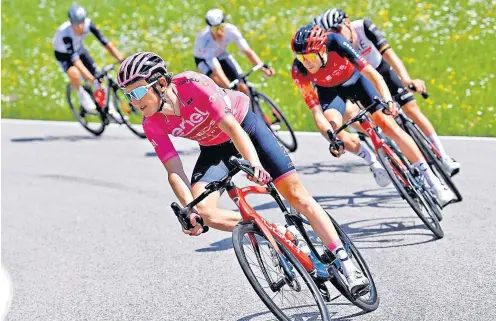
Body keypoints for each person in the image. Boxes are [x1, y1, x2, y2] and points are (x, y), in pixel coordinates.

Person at [117, 51, 370, 294]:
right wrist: (189, 210)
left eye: (138, 92)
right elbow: (173, 170)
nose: (134, 101)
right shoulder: (151, 123)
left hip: (245, 128)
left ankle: (347, 264)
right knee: (205, 211)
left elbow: (232, 128)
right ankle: (277, 232)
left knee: (296, 195)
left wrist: (255, 164)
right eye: (128, 95)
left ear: (160, 83)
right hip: (213, 148)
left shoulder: (193, 84)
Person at [290, 24, 455, 205]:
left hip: (356, 81)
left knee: (387, 124)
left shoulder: (336, 42)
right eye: (301, 57)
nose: (306, 61)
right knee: (333, 125)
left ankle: (434, 182)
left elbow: (372, 74)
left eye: (310, 56)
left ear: (323, 49)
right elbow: (316, 113)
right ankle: (373, 160)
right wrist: (333, 139)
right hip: (330, 93)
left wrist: (388, 101)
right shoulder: (299, 70)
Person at [313, 9, 460, 175]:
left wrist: (407, 80)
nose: (336, 36)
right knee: (383, 122)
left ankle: (444, 157)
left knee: (411, 108)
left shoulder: (363, 27)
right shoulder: (332, 48)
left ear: (347, 22)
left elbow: (389, 54)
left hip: (381, 71)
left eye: (337, 30)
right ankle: (399, 156)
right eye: (331, 34)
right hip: (364, 81)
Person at [53, 3, 123, 117]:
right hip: (63, 55)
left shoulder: (89, 24)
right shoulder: (65, 34)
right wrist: (90, 79)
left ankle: (108, 108)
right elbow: (75, 61)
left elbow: (105, 43)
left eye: (81, 23)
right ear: (71, 23)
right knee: (74, 73)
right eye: (77, 24)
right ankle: (82, 96)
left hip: (79, 49)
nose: (80, 27)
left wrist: (121, 59)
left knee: (98, 78)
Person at [193, 8, 275, 95]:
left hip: (221, 54)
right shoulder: (205, 41)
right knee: (223, 87)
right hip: (203, 60)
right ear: (209, 29)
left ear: (225, 25)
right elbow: (216, 70)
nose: (219, 32)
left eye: (221, 27)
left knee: (242, 84)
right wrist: (229, 86)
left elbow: (248, 51)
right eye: (214, 29)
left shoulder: (231, 30)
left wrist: (263, 67)